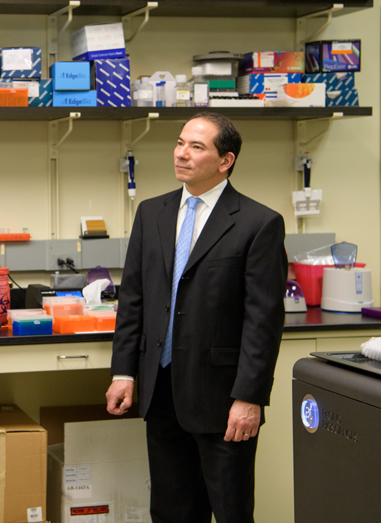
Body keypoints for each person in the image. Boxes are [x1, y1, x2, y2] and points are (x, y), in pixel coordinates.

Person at [106, 112, 286, 523]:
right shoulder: (152, 214)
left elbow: (263, 320)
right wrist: (124, 373)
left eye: (196, 147)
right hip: (161, 389)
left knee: (229, 510)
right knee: (171, 511)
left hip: (223, 399)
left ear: (226, 161)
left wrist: (250, 397)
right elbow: (133, 298)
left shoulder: (259, 224)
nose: (181, 154)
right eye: (179, 143)